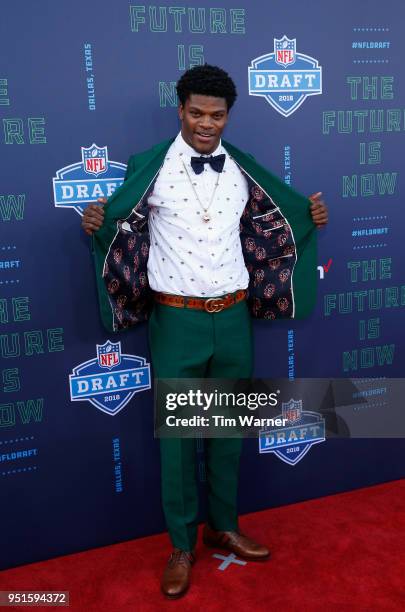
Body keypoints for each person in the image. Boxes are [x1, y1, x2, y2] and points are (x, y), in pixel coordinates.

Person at [82, 64, 328, 599]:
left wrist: (309, 216)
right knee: (177, 440)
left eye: (217, 115)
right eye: (196, 113)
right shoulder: (151, 167)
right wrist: (95, 226)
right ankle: (181, 545)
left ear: (228, 116)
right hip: (178, 320)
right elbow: (118, 227)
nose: (206, 124)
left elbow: (279, 219)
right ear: (180, 110)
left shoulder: (243, 168)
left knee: (226, 434)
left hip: (234, 318)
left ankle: (224, 526)